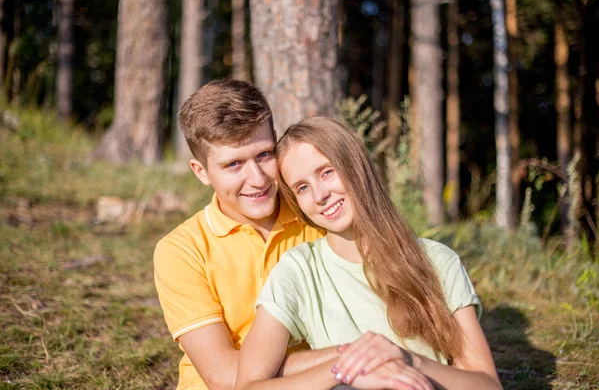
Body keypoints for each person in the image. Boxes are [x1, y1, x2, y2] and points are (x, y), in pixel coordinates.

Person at [235, 116, 502, 390]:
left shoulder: (437, 260)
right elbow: (249, 386)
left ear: (356, 166)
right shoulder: (299, 269)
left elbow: (488, 385)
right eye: (302, 187)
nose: (319, 195)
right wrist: (347, 370)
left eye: (327, 172)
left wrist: (407, 360)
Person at [154, 80, 341, 390]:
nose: (256, 179)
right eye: (234, 164)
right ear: (201, 171)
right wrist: (350, 357)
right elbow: (225, 375)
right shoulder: (181, 250)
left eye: (264, 155)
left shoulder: (320, 217)